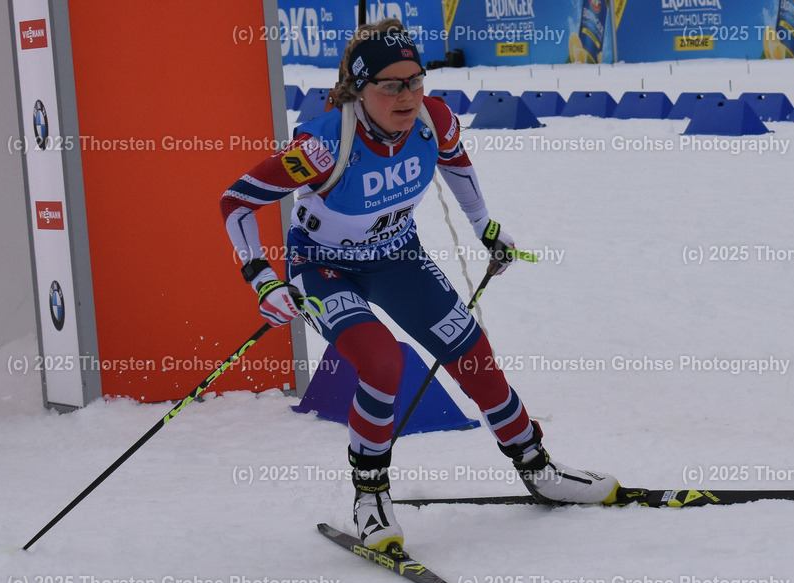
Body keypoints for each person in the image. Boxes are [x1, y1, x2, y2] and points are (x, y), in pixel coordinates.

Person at [221, 19, 619, 553]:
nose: (408, 95)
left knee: (473, 355)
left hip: (398, 258)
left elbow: (456, 165)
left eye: (416, 79)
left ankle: (537, 468)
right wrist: (262, 280)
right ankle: (370, 497)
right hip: (323, 267)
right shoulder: (322, 145)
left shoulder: (434, 120)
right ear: (359, 90)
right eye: (391, 85)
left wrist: (486, 230)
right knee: (383, 364)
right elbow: (238, 201)